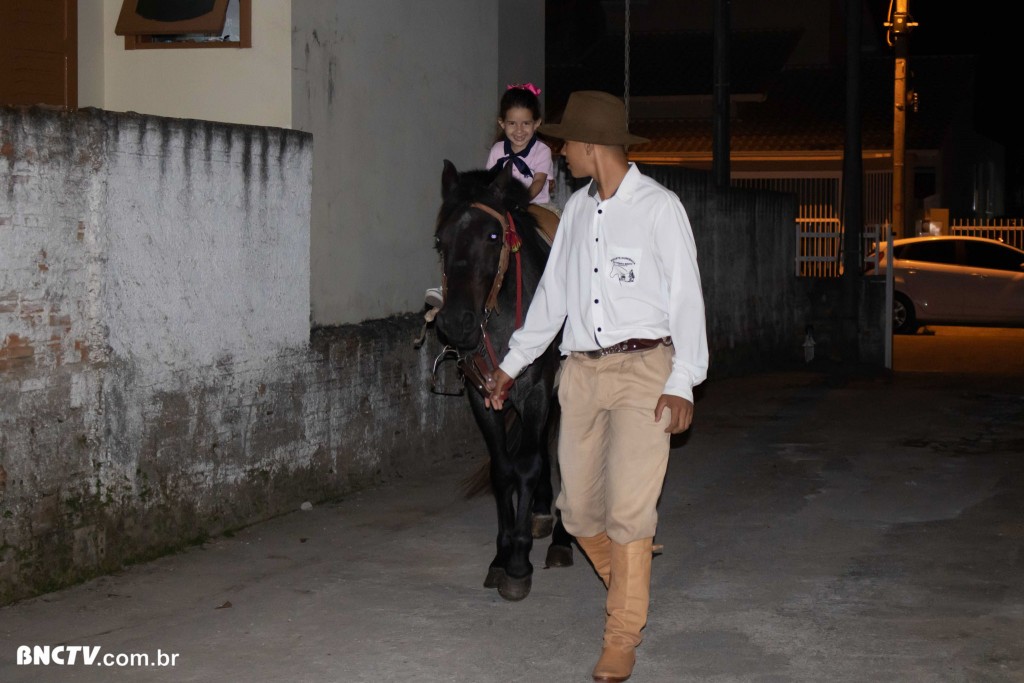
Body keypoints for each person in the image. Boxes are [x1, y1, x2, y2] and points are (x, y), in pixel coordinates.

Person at [484, 90, 709, 682]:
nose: (560, 152)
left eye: (566, 143)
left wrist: (684, 380)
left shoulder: (659, 207)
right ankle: (629, 585)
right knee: (579, 513)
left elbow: (687, 297)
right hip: (581, 373)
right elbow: (553, 299)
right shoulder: (578, 212)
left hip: (645, 372)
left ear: (591, 145)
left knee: (630, 513)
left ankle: (621, 635)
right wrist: (511, 365)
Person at [424, 83, 557, 310]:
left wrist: (521, 200)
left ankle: (561, 279)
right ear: (502, 124)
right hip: (501, 206)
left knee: (559, 232)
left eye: (526, 123)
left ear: (537, 123)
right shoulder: (497, 150)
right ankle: (450, 286)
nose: (519, 130)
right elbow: (488, 181)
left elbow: (538, 182)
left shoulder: (542, 150)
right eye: (512, 123)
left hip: (536, 204)